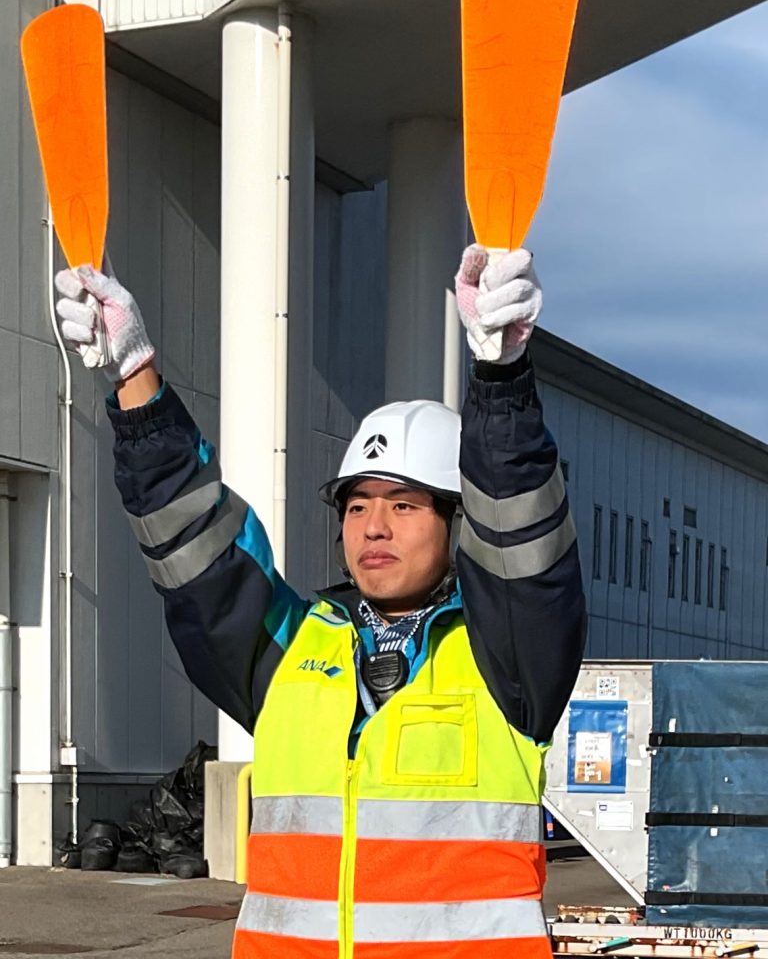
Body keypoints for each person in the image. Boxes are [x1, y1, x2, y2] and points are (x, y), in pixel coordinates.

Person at [56, 243, 587, 959]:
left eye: (404, 504)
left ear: (459, 521)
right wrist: (134, 383)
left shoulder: (509, 660)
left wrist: (501, 380)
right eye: (357, 504)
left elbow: (522, 535)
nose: (372, 525)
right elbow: (198, 554)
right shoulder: (292, 652)